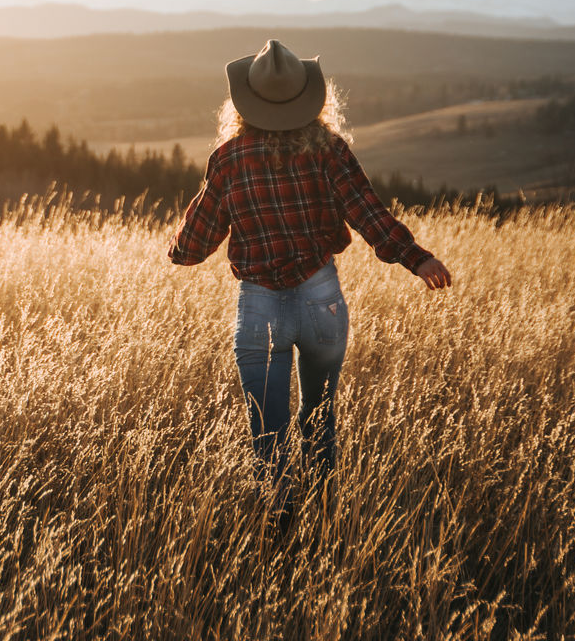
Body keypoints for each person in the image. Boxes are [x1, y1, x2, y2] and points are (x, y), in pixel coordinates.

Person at [167, 39, 451, 529]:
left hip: (259, 306)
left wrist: (181, 241)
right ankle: (323, 525)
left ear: (246, 103)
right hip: (322, 300)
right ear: (310, 100)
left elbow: (190, 250)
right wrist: (418, 259)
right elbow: (369, 214)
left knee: (268, 433)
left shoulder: (229, 158)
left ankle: (279, 534)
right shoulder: (329, 151)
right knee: (319, 421)